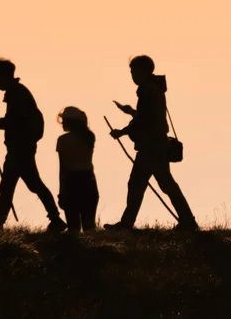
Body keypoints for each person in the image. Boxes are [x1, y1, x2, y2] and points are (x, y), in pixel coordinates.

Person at [105, 55, 199, 231]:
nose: (132, 75)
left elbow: (143, 120)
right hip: (157, 145)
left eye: (133, 71)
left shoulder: (147, 90)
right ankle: (188, 221)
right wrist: (131, 112)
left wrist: (122, 132)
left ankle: (126, 224)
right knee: (162, 184)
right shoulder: (154, 89)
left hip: (151, 147)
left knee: (139, 184)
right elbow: (148, 116)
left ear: (142, 71)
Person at [0, 58, 67, 233]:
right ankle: (54, 219)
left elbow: (15, 119)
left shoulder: (16, 94)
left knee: (19, 184)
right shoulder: (19, 92)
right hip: (21, 147)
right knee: (20, 184)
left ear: (3, 77)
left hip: (20, 148)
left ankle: (0, 222)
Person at [56, 107, 99, 235]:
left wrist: (62, 191)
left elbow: (63, 167)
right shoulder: (89, 137)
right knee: (89, 226)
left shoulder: (63, 140)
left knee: (73, 227)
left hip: (72, 181)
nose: (62, 123)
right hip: (89, 180)